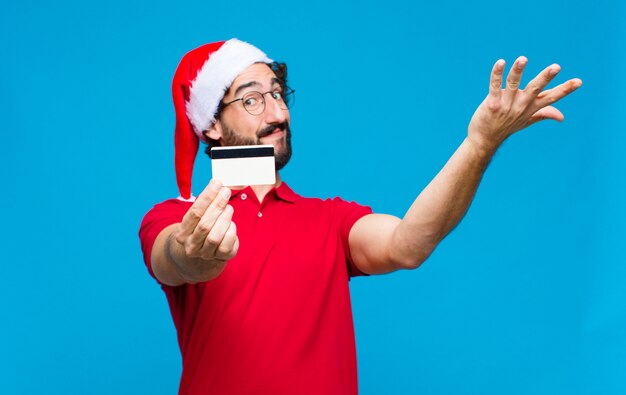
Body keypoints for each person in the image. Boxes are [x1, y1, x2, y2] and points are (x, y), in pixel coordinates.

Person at [139, 38, 582, 394]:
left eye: (278, 93)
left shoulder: (330, 220)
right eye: (253, 100)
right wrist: (195, 252)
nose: (278, 112)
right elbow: (175, 258)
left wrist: (480, 144)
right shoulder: (176, 216)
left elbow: (408, 244)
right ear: (211, 124)